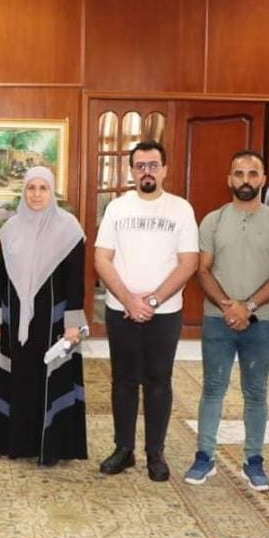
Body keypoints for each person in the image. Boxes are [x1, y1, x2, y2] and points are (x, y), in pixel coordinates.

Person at [184, 150, 269, 490]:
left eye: (252, 174)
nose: (245, 180)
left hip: (260, 322)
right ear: (229, 179)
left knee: (256, 392)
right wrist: (228, 307)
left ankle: (254, 460)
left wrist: (247, 307)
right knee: (212, 389)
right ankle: (204, 456)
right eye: (239, 174)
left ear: (263, 179)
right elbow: (202, 269)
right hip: (217, 320)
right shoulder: (213, 220)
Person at [94, 140, 198, 481]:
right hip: (120, 310)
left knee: (158, 381)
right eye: (140, 166)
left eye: (153, 165)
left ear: (165, 169)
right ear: (132, 171)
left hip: (164, 314)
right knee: (123, 381)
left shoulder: (180, 209)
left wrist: (151, 302)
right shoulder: (117, 208)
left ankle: (156, 453)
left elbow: (188, 263)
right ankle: (123, 449)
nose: (147, 172)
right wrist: (128, 300)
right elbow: (101, 258)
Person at [0, 167, 87, 465]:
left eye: (43, 188)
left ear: (51, 192)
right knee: (18, 377)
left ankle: (51, 446)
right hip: (15, 319)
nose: (37, 194)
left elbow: (75, 280)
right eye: (31, 188)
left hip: (53, 320)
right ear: (24, 192)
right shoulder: (10, 229)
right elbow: (1, 275)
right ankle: (15, 442)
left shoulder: (69, 228)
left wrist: (73, 324)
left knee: (50, 377)